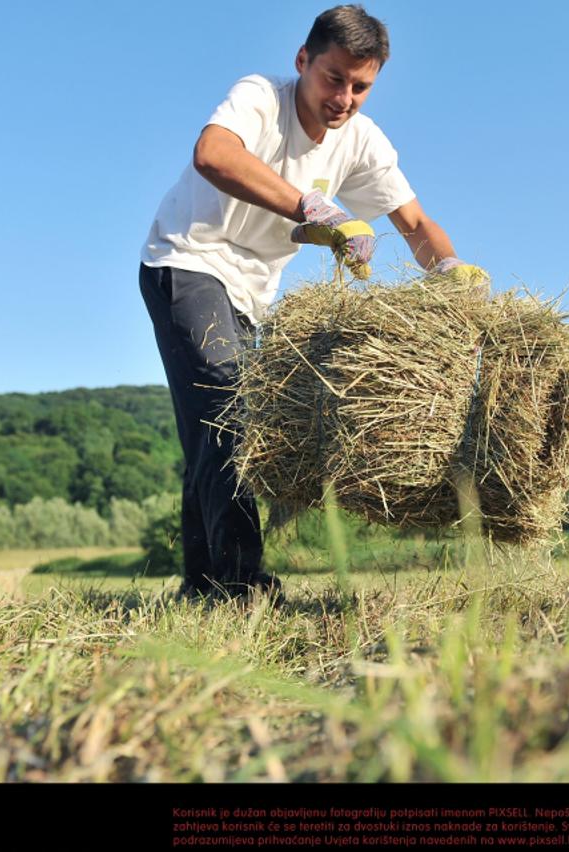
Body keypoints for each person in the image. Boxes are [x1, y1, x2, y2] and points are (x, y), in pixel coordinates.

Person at [140, 4, 484, 602]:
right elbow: (214, 155)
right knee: (230, 412)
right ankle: (242, 583)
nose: (344, 98)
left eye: (361, 86)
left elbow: (416, 223)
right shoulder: (260, 99)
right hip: (188, 259)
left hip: (251, 292)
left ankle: (202, 586)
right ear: (302, 61)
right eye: (333, 78)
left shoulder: (361, 142)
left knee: (212, 427)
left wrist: (450, 271)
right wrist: (313, 208)